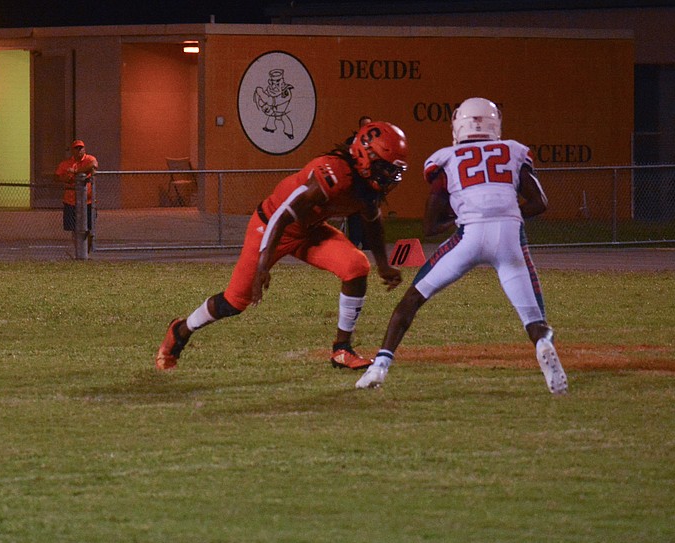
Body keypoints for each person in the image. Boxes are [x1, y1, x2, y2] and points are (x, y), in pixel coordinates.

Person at [155, 121, 410, 371]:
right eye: (384, 167)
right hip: (270, 226)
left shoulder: (366, 188)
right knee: (234, 302)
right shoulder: (333, 174)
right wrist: (264, 265)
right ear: (364, 155)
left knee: (356, 265)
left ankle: (342, 349)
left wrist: (383, 264)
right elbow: (283, 215)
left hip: (310, 230)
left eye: (392, 170)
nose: (388, 175)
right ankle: (180, 330)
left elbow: (372, 222)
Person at [355, 98, 568, 394]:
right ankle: (543, 343)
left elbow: (429, 226)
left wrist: (464, 214)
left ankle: (379, 367)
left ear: (458, 124)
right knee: (534, 319)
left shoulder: (447, 158)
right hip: (509, 236)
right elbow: (539, 203)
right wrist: (505, 211)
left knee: (412, 300)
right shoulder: (513, 151)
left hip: (468, 235)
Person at [54, 140, 98, 250]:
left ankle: (87, 247)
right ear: (72, 150)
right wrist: (66, 178)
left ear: (84, 149)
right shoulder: (66, 164)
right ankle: (79, 250)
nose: (79, 150)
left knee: (88, 226)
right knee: (74, 228)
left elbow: (93, 165)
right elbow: (57, 176)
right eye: (76, 148)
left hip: (87, 201)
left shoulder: (89, 159)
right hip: (71, 201)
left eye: (81, 148)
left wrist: (75, 171)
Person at [342, 116, 372, 249]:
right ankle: (354, 240)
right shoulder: (351, 141)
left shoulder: (376, 142)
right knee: (354, 212)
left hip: (369, 183)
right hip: (355, 183)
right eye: (364, 125)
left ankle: (367, 242)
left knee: (369, 212)